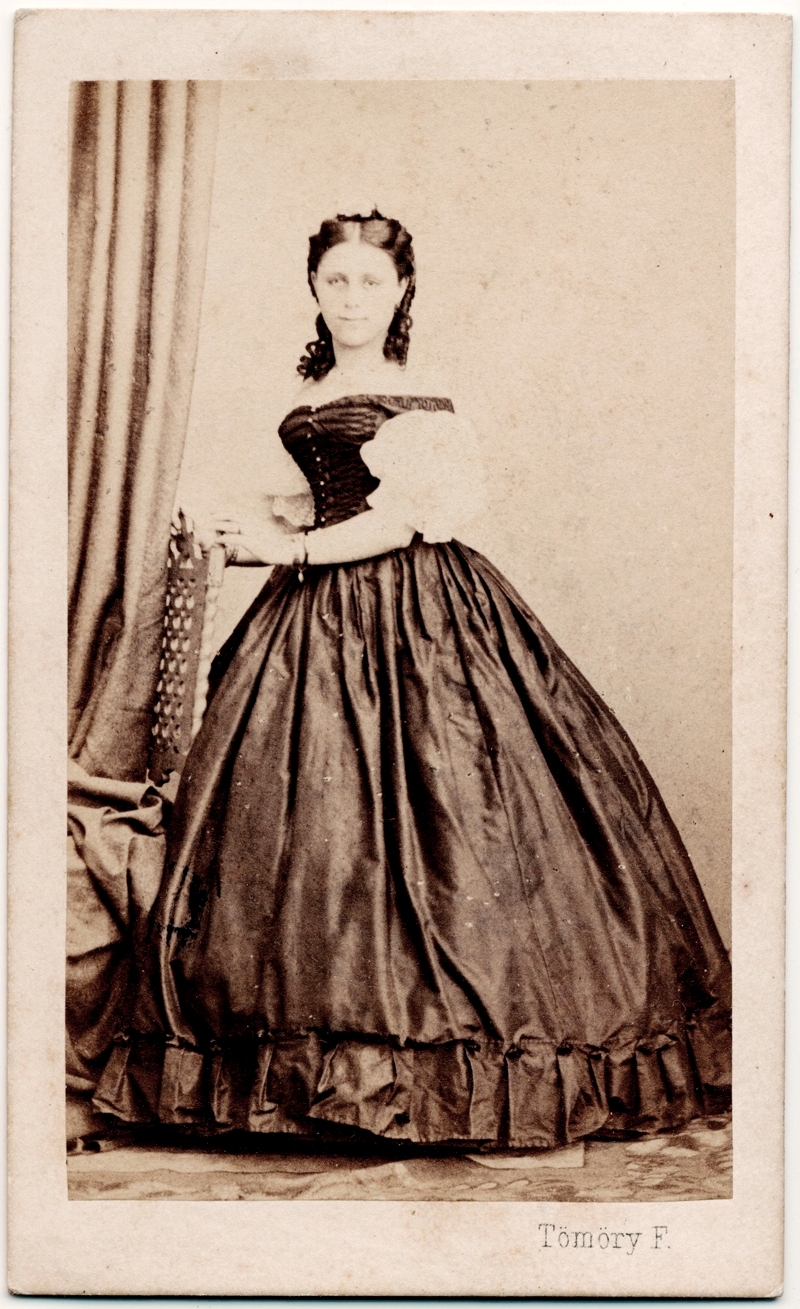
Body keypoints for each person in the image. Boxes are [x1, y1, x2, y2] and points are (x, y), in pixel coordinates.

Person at [94, 211, 731, 1151]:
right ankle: (305, 1080)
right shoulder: (311, 390)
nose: (352, 298)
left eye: (370, 282)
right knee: (307, 830)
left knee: (449, 820)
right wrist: (242, 535)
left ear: (401, 292)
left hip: (420, 614)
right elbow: (314, 504)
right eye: (336, 280)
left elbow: (401, 522)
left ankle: (452, 1072)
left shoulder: (422, 393)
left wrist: (290, 550)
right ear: (315, 289)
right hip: (312, 615)